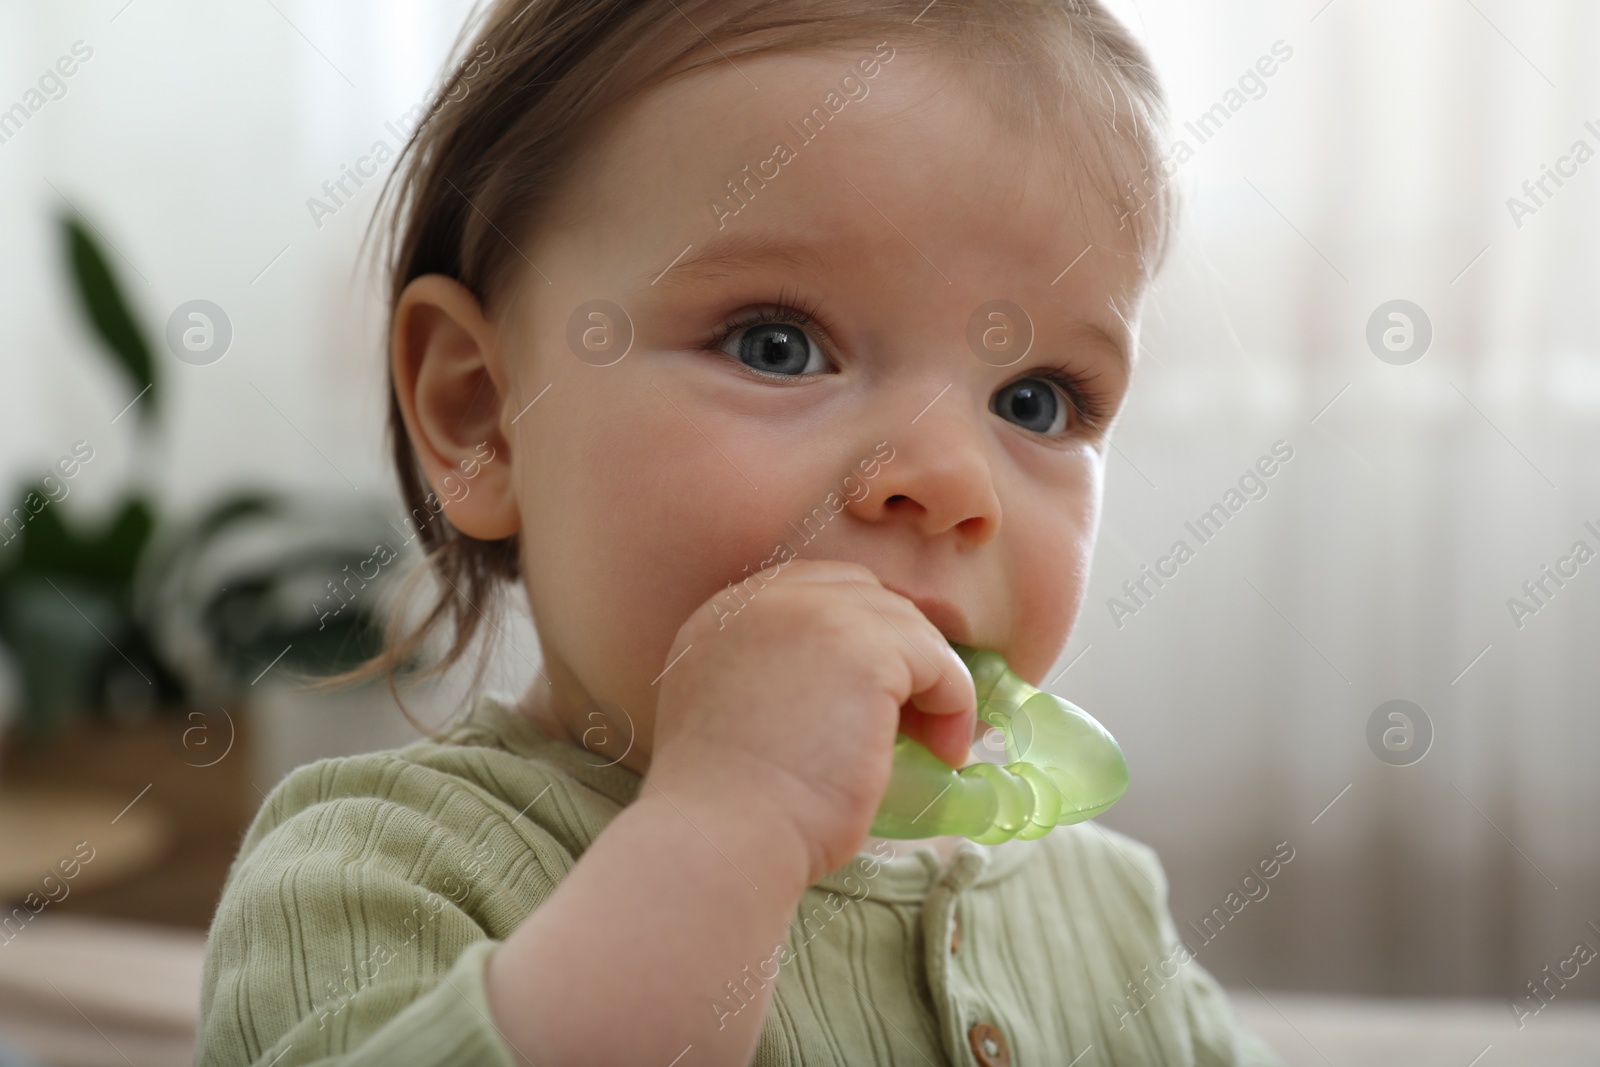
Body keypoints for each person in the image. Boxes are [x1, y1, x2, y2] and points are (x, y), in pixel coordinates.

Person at [195, 1, 1285, 1063]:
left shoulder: (1101, 908)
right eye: (776, 344)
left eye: (1035, 400)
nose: (953, 480)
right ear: (484, 414)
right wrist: (729, 826)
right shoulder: (380, 873)